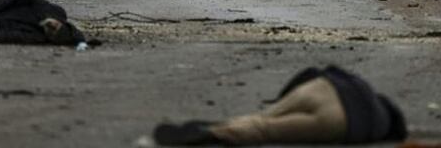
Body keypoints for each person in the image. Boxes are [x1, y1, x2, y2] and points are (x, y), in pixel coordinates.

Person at [153, 65, 407, 146]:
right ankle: (216, 133)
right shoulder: (379, 125)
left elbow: (313, 72)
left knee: (264, 116)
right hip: (340, 119)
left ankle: (233, 122)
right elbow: (360, 134)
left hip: (322, 87)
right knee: (266, 130)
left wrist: (282, 98)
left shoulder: (362, 86)